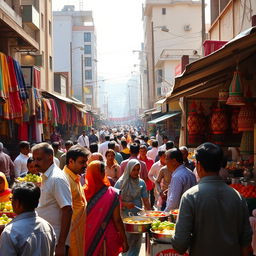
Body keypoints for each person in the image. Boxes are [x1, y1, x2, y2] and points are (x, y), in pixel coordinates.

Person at [172, 143, 252, 256]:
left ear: (198, 165)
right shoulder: (237, 196)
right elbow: (246, 242)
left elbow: (180, 245)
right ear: (220, 165)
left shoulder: (190, 196)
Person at [32, 143, 72, 256]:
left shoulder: (56, 178)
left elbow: (67, 210)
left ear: (50, 157)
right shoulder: (45, 176)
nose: (35, 163)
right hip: (47, 238)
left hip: (55, 240)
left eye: (39, 159)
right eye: (34, 159)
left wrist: (61, 244)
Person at [84, 160, 128, 255]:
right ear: (103, 173)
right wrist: (124, 240)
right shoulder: (112, 193)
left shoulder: (82, 192)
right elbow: (117, 220)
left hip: (87, 237)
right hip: (107, 238)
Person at [0, 182, 56, 256]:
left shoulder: (10, 232)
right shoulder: (48, 226)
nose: (11, 202)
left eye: (12, 199)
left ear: (17, 203)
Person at [115, 159, 151, 256]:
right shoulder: (120, 183)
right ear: (128, 169)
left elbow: (146, 201)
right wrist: (126, 204)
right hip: (124, 217)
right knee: (126, 241)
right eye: (133, 170)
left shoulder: (141, 183)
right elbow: (114, 201)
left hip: (138, 218)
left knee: (136, 241)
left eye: (138, 170)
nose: (136, 172)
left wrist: (150, 215)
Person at [64, 145, 89, 256]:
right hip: (70, 235)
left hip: (78, 232)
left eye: (86, 162)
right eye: (82, 162)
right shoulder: (65, 180)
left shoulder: (75, 177)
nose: (85, 165)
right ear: (71, 161)